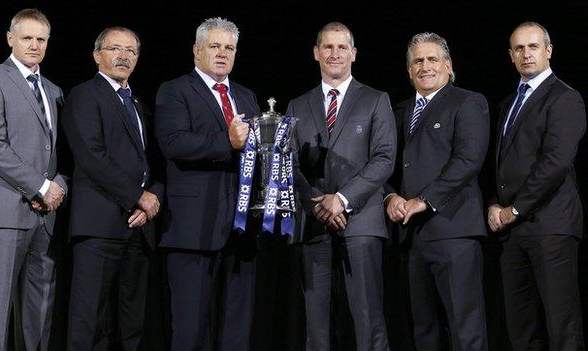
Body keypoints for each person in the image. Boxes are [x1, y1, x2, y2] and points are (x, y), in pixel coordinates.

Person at [286, 22, 396, 350]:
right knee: (316, 327)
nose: (335, 54)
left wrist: (342, 199)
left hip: (361, 220)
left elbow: (384, 159)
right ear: (316, 53)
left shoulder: (376, 99)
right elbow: (287, 164)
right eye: (328, 47)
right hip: (314, 223)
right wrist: (319, 204)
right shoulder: (297, 105)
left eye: (342, 47)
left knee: (368, 319)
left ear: (354, 54)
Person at [155, 17, 260, 350]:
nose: (222, 53)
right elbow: (174, 143)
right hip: (193, 230)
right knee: (190, 331)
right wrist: (225, 141)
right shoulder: (174, 90)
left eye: (229, 48)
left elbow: (256, 153)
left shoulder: (246, 95)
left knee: (236, 331)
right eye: (214, 46)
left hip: (242, 230)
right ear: (197, 50)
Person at [385, 32, 489, 351]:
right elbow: (383, 162)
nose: (425, 66)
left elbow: (468, 160)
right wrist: (389, 196)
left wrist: (423, 200)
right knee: (423, 330)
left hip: (454, 231)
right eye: (418, 60)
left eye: (433, 59)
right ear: (409, 69)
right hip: (410, 237)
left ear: (448, 65)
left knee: (465, 330)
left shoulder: (468, 101)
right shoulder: (398, 110)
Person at [0, 9, 65, 351]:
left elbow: (59, 154)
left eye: (41, 39)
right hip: (4, 212)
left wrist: (57, 188)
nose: (34, 45)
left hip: (45, 216)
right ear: (10, 39)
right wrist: (40, 186)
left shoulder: (54, 90)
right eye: (27, 38)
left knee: (39, 311)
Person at [61, 26, 163, 350]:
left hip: (138, 229)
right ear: (97, 55)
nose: (124, 56)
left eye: (131, 50)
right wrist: (138, 197)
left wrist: (154, 198)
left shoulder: (140, 105)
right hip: (99, 228)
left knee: (131, 326)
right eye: (115, 48)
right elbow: (92, 157)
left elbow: (154, 164)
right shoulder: (83, 95)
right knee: (89, 323)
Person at [488, 22, 585, 350]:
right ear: (511, 56)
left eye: (532, 47)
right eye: (519, 48)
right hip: (513, 233)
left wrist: (514, 209)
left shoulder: (564, 98)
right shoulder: (507, 104)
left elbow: (554, 164)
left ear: (548, 51)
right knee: (521, 327)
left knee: (561, 325)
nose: (526, 54)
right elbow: (502, 165)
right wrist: (494, 204)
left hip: (550, 227)